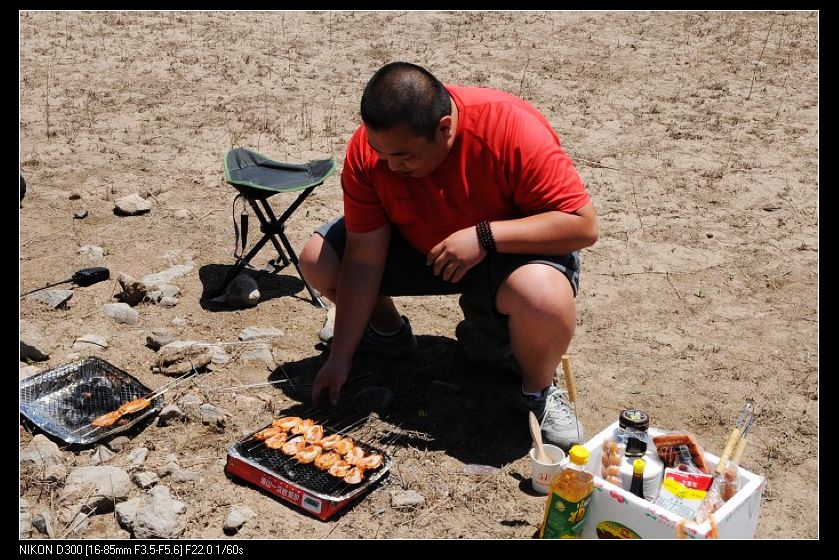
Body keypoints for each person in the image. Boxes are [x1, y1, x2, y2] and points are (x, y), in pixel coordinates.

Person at [299, 62, 598, 449]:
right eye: (380, 152)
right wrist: (341, 355)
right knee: (319, 259)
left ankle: (537, 391)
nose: (390, 166)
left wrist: (485, 236)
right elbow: (363, 260)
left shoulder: (509, 128)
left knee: (541, 298)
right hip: (425, 249)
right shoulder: (374, 151)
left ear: (444, 128)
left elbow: (582, 226)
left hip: (505, 252)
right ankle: (387, 336)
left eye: (404, 156)